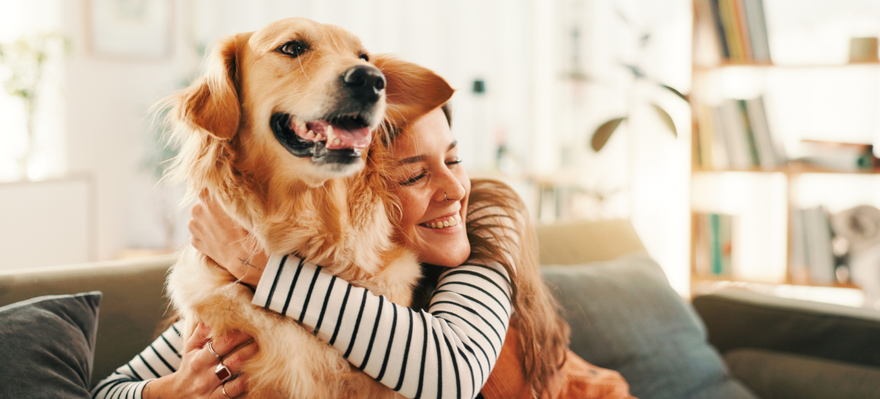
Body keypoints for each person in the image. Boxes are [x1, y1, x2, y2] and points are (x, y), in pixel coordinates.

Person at [92, 103, 633, 399]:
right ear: (354, 195)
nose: (453, 188)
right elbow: (108, 391)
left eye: (454, 157)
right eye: (415, 174)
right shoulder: (310, 276)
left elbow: (450, 373)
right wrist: (169, 392)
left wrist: (260, 268)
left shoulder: (486, 223)